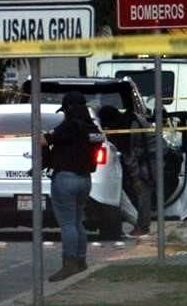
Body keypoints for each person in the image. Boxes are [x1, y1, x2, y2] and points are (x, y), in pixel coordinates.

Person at [43, 91, 104, 282]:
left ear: (68, 109)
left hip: (65, 178)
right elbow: (99, 141)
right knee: (78, 222)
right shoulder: (92, 128)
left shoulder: (69, 125)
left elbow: (45, 141)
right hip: (85, 180)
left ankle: (69, 264)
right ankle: (80, 261)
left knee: (68, 224)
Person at [98, 103, 154, 238]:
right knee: (142, 191)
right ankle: (141, 225)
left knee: (143, 191)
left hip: (151, 159)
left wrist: (135, 179)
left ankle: (143, 227)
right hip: (149, 156)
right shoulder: (128, 120)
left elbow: (131, 156)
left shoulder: (128, 128)